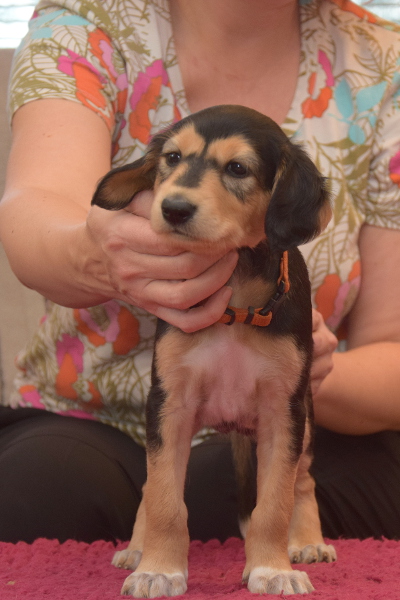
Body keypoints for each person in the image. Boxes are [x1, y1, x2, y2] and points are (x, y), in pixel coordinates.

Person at [0, 0, 400, 544]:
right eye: (173, 161)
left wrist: (291, 374)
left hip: (286, 425)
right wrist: (98, 256)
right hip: (90, 425)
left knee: (244, 487)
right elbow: (33, 212)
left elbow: (390, 350)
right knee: (44, 490)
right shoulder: (86, 24)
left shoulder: (383, 60)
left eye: (236, 169)